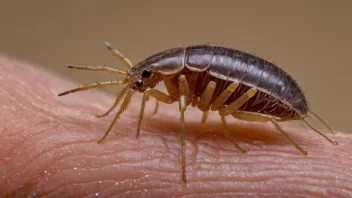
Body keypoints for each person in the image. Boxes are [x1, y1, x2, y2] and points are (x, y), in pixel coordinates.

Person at [1, 56, 351, 197]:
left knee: (217, 92)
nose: (141, 86)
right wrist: (111, 121)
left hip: (269, 91)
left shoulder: (190, 79)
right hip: (246, 85)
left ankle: (312, 135)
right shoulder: (169, 80)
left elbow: (195, 101)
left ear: (162, 72)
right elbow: (140, 90)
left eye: (146, 78)